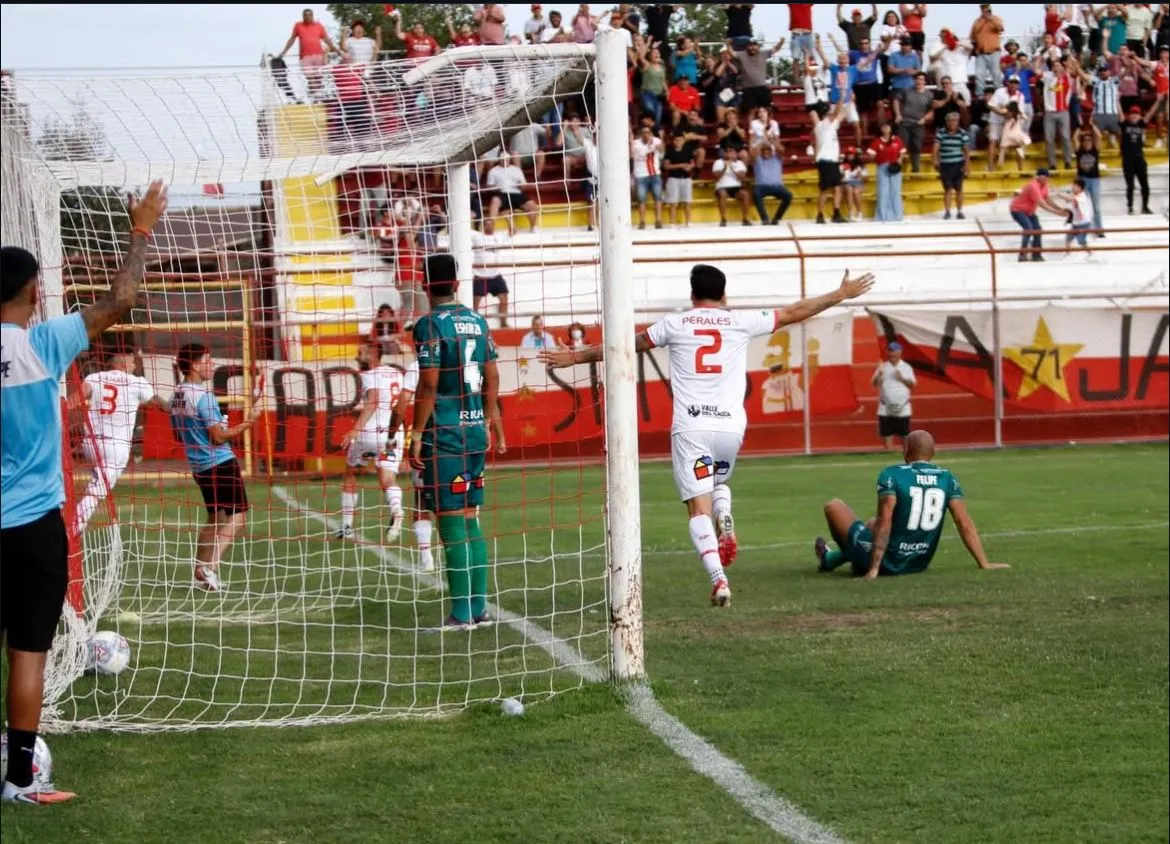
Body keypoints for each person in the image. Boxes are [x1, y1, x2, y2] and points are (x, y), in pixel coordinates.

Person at [540, 265, 876, 606]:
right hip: (730, 427)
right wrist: (840, 294)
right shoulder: (740, 321)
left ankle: (718, 580)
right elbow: (793, 313)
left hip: (692, 426)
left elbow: (628, 346)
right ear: (725, 295)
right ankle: (725, 517)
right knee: (716, 483)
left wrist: (576, 356)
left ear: (691, 295)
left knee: (697, 506)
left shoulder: (675, 323)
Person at [0, 181, 166, 804]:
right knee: (29, 655)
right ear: (34, 291)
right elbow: (123, 297)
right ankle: (20, 780)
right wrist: (142, 228)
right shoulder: (44, 343)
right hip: (34, 526)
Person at [409, 254, 506, 630]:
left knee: (450, 523)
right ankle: (478, 609)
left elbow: (429, 382)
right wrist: (490, 422)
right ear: (458, 284)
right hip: (473, 432)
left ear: (424, 285)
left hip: (445, 434)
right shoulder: (479, 321)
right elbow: (492, 376)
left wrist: (416, 434)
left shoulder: (429, 324)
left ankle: (461, 615)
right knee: (470, 520)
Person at [815, 430, 1008, 578]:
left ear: (906, 450)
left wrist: (873, 570)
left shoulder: (892, 474)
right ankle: (833, 560)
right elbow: (963, 522)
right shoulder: (947, 478)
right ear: (933, 452)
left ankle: (841, 560)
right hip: (918, 563)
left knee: (834, 507)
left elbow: (886, 522)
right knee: (871, 524)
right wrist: (984, 563)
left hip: (890, 562)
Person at [171, 343, 261, 593]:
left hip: (199, 467)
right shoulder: (203, 396)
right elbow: (219, 438)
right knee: (238, 517)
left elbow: (178, 435)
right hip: (220, 463)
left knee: (214, 518)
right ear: (196, 365)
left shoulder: (176, 395)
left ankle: (199, 572)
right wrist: (248, 422)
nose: (211, 365)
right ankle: (210, 567)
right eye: (208, 361)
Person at [74, 348, 166, 535]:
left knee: (97, 481)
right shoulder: (137, 382)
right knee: (98, 491)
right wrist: (171, 406)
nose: (134, 365)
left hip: (90, 444)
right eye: (132, 362)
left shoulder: (95, 377)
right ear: (123, 362)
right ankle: (73, 526)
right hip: (116, 447)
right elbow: (156, 402)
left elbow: (78, 397)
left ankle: (75, 524)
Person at [335, 342, 411, 542]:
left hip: (369, 432)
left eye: (360, 352)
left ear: (372, 354)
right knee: (387, 480)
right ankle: (396, 509)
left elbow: (373, 401)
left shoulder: (368, 375)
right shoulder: (396, 373)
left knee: (351, 473)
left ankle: (346, 526)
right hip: (393, 433)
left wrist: (355, 429)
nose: (356, 356)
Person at [276, 9, 339, 101]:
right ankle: (317, 96)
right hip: (305, 56)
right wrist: (284, 51)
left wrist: (335, 49)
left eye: (310, 15)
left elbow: (326, 38)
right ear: (303, 16)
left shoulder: (318, 25)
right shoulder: (298, 25)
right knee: (310, 76)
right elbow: (292, 39)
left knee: (318, 77)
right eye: (306, 15)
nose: (308, 16)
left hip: (318, 55)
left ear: (313, 16)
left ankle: (318, 97)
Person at [1009, 168, 1068, 262]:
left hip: (1029, 211)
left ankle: (1036, 254)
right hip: (1018, 210)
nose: (1046, 179)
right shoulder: (1033, 186)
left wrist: (1059, 208)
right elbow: (1042, 203)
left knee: (1038, 230)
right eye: (1045, 177)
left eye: (1047, 177)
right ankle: (1022, 254)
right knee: (1028, 229)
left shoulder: (1045, 185)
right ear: (1039, 177)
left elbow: (1047, 199)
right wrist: (1057, 212)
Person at [871, 341, 916, 449]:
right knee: (887, 434)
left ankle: (907, 458)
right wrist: (880, 374)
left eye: (895, 351)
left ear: (900, 352)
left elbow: (912, 385)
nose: (893, 354)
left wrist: (902, 378)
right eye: (891, 351)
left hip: (903, 406)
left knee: (904, 435)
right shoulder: (883, 367)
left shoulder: (906, 367)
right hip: (885, 407)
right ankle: (888, 456)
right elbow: (875, 384)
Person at [813, 101, 847, 223]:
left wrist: (849, 102)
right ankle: (820, 214)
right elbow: (836, 113)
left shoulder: (831, 126)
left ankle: (836, 213)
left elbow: (841, 114)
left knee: (838, 188)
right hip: (826, 161)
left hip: (833, 161)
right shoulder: (822, 125)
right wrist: (842, 96)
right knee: (825, 189)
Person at [933, 111, 971, 220]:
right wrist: (935, 160)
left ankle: (960, 211)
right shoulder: (941, 132)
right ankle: (947, 211)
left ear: (958, 121)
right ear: (947, 122)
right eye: (950, 120)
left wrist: (967, 165)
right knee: (948, 189)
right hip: (945, 164)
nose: (952, 123)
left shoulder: (962, 133)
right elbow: (936, 148)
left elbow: (966, 151)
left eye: (955, 120)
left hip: (958, 164)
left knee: (959, 189)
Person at [867, 120, 907, 221]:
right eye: (883, 127)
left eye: (887, 127)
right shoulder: (877, 141)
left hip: (895, 167)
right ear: (881, 129)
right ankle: (882, 216)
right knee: (883, 192)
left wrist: (898, 162)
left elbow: (902, 153)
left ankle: (897, 216)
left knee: (895, 191)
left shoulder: (897, 140)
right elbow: (871, 155)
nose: (886, 129)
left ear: (891, 128)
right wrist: (874, 157)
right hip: (882, 167)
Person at [750, 139, 793, 224]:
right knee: (755, 193)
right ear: (761, 151)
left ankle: (776, 219)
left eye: (768, 149)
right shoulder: (757, 159)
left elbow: (782, 150)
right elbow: (752, 153)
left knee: (788, 196)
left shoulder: (777, 158)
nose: (766, 151)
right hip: (761, 186)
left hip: (777, 187)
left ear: (771, 151)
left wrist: (773, 142)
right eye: (764, 150)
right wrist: (762, 142)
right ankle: (764, 219)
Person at [1120, 104, 1153, 214]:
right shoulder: (1125, 124)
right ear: (1129, 115)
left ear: (1139, 116)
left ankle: (1145, 207)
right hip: (1128, 159)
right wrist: (1117, 102)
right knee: (1130, 185)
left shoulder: (1141, 124)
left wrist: (1157, 103)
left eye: (1136, 114)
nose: (1134, 115)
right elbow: (1120, 114)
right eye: (1132, 113)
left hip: (1139, 158)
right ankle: (1130, 207)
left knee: (1145, 184)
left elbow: (1149, 114)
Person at [1074, 123, 1105, 236]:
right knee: (1083, 206)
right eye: (1085, 141)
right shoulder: (1079, 150)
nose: (1087, 143)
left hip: (1094, 180)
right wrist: (1080, 127)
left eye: (1089, 140)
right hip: (1082, 180)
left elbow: (1099, 136)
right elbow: (1075, 137)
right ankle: (1084, 228)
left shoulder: (1095, 150)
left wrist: (1092, 125)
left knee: (1096, 206)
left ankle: (1099, 229)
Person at [1064, 178, 1096, 259]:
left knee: (1081, 241)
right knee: (1068, 238)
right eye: (1072, 186)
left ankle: (1091, 254)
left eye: (1074, 187)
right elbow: (1068, 201)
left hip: (1084, 223)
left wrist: (1058, 194)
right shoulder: (1075, 195)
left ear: (1080, 188)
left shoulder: (1083, 196)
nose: (1072, 188)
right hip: (1076, 223)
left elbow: (1070, 199)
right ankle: (1067, 254)